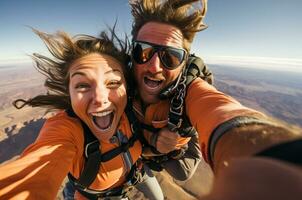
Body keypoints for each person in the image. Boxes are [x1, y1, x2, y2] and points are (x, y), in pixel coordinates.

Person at [128, 0, 302, 191]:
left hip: (176, 135)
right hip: (142, 143)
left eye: (170, 56)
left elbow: (220, 110)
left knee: (182, 172)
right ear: (131, 53)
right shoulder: (115, 84)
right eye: (143, 52)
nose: (154, 67)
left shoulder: (191, 89)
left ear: (183, 64)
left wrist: (278, 158)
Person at [0, 28, 164, 200]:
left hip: (137, 172)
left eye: (114, 82)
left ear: (126, 87)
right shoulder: (66, 129)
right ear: (69, 92)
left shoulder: (132, 110)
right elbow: (32, 175)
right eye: (82, 85)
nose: (100, 99)